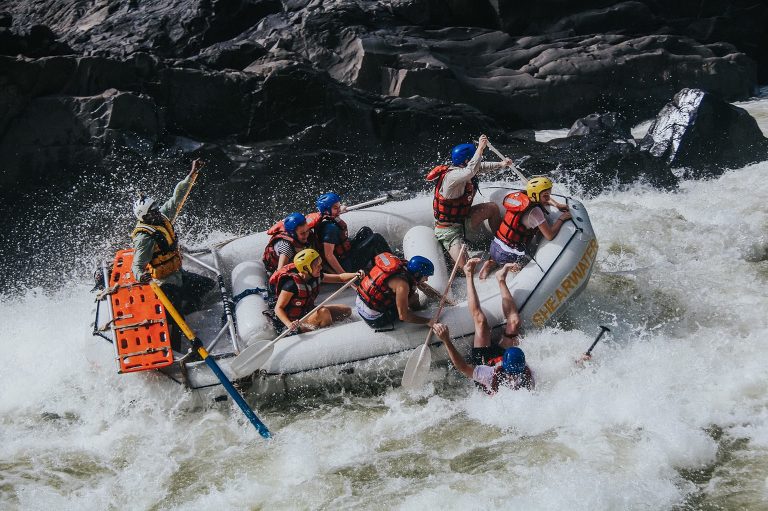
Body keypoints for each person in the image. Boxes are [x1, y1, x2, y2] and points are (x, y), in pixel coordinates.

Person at [130, 159, 215, 351]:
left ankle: (188, 308)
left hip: (178, 274)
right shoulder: (144, 238)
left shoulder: (162, 217)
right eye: (152, 212)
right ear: (145, 216)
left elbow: (177, 197)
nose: (157, 212)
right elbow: (137, 265)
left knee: (207, 285)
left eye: (155, 208)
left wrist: (192, 174)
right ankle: (178, 352)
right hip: (164, 283)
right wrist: (140, 276)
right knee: (176, 320)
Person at [430, 258, 535, 394]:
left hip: (484, 361)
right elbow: (463, 367)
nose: (514, 378)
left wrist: (446, 340)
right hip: (494, 360)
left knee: (484, 321)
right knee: (510, 321)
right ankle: (494, 278)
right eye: (512, 374)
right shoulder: (494, 373)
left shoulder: (512, 374)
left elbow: (463, 368)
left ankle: (477, 275)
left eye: (515, 374)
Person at [428, 134, 513, 269]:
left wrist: (501, 164)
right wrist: (480, 148)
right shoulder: (453, 177)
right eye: (473, 158)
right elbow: (471, 170)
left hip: (464, 219)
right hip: (448, 231)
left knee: (492, 208)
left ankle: (502, 244)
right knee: (467, 269)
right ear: (467, 160)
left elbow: (479, 166)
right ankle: (451, 255)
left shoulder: (463, 168)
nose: (477, 160)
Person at [478, 176, 572, 279]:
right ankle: (508, 268)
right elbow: (549, 235)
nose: (548, 198)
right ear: (535, 195)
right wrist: (562, 218)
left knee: (502, 253)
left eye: (549, 194)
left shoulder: (520, 197)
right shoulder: (535, 212)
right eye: (546, 195)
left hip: (495, 246)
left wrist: (556, 204)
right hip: (508, 254)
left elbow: (543, 199)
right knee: (525, 267)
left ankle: (491, 262)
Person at [268, 248, 361, 334]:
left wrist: (355, 275)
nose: (321, 268)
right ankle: (326, 334)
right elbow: (278, 308)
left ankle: (322, 323)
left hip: (307, 312)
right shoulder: (291, 285)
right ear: (306, 268)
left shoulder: (315, 276)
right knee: (324, 313)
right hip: (295, 322)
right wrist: (289, 324)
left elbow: (340, 278)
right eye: (317, 266)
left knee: (346, 310)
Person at [311, 192, 392, 273]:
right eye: (336, 208)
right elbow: (329, 256)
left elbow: (335, 212)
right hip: (346, 265)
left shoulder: (327, 216)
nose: (339, 210)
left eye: (339, 206)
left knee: (365, 231)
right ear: (327, 211)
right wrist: (343, 274)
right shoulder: (330, 228)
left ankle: (377, 265)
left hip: (345, 255)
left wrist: (338, 209)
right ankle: (392, 269)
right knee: (376, 238)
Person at [356, 253, 435, 330]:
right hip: (373, 318)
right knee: (414, 297)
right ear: (418, 275)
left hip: (360, 302)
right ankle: (419, 311)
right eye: (426, 276)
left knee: (411, 294)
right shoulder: (402, 286)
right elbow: (403, 317)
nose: (427, 279)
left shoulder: (403, 266)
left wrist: (439, 297)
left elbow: (420, 284)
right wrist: (428, 321)